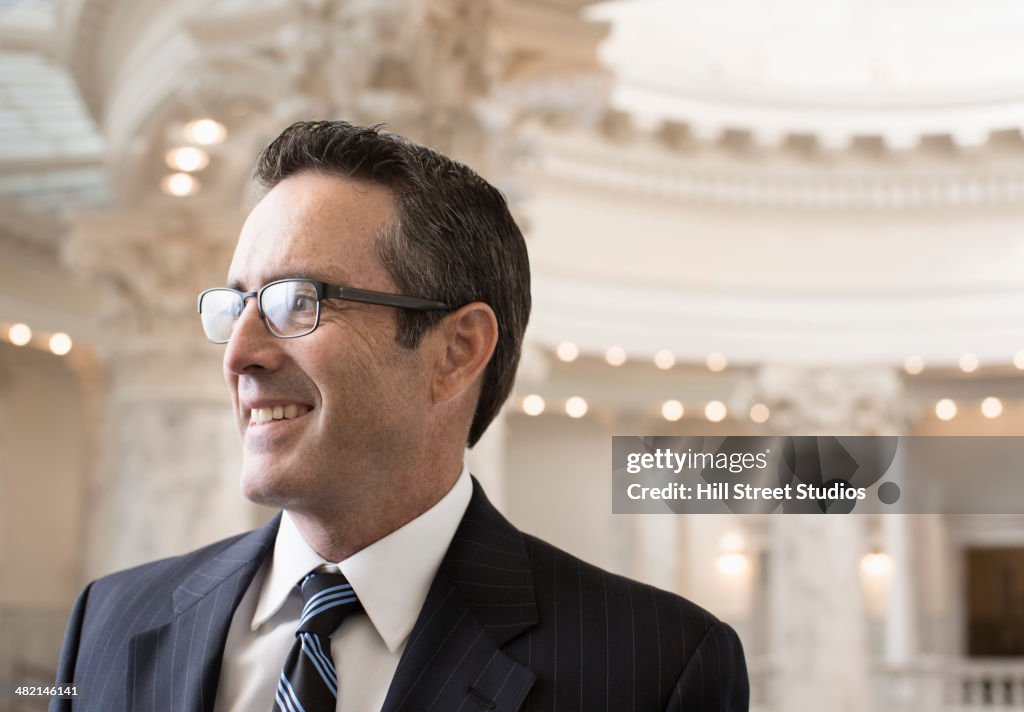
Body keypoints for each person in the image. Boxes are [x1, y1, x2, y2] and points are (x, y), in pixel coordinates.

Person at [51, 121, 749, 712]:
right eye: (236, 304)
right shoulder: (110, 621)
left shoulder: (654, 667)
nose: (241, 354)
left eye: (298, 301)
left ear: (456, 351)